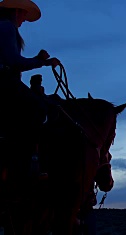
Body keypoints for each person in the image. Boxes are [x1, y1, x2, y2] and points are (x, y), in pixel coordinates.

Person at [0, 0, 60, 180]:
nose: (24, 19)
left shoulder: (5, 28)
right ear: (17, 11)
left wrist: (39, 61)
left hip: (6, 79)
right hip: (4, 81)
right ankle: (31, 161)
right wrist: (41, 61)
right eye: (24, 14)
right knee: (38, 107)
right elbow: (14, 62)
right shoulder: (6, 27)